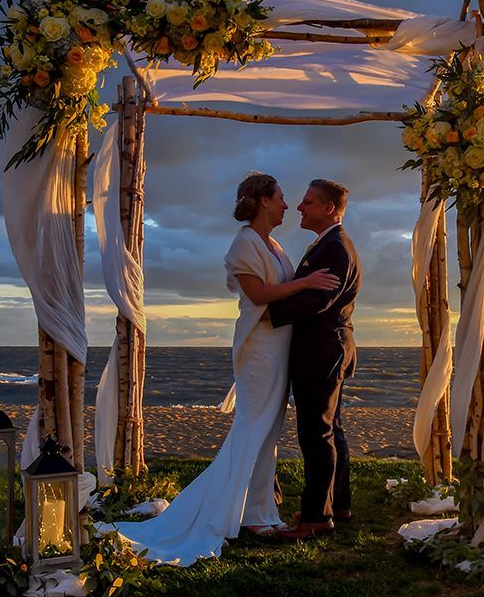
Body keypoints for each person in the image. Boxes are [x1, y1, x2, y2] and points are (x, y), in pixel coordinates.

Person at [111, 173, 337, 565]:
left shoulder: (273, 243)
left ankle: (258, 512)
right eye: (282, 198)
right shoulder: (244, 243)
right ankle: (245, 513)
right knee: (254, 426)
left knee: (268, 432)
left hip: (278, 347)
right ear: (263, 200)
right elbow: (258, 294)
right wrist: (307, 283)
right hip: (260, 348)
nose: (288, 205)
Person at [270, 179, 362, 540]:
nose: (298, 207)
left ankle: (316, 517)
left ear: (328, 208)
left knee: (316, 432)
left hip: (321, 350)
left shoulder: (335, 248)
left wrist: (266, 309)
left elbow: (317, 302)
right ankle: (337, 503)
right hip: (329, 348)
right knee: (331, 429)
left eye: (307, 202)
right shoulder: (328, 244)